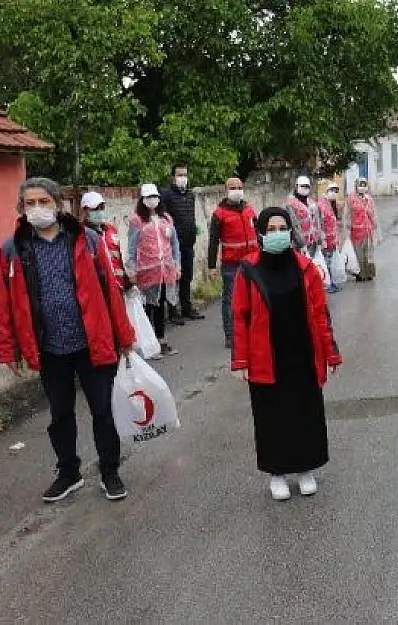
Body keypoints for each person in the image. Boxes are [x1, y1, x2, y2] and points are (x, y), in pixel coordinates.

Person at [0, 178, 135, 503]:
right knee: (60, 414)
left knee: (103, 410)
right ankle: (69, 473)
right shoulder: (12, 249)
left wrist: (124, 336)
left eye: (43, 201)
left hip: (92, 342)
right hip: (49, 348)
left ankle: (110, 471)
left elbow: (111, 291)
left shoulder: (86, 240)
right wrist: (9, 349)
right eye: (30, 203)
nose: (37, 209)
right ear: (21, 208)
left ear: (58, 204)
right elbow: (4, 304)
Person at [231, 207, 341, 500]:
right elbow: (239, 317)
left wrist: (330, 352)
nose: (278, 233)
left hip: (302, 355)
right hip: (266, 357)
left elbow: (320, 313)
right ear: (262, 233)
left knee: (305, 412)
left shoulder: (305, 267)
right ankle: (277, 474)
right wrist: (241, 360)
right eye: (272, 228)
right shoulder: (249, 270)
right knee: (272, 417)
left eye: (283, 228)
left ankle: (305, 468)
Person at [128, 183, 181, 358]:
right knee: (148, 307)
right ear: (142, 200)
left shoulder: (165, 218)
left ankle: (161, 340)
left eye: (155, 197)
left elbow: (174, 244)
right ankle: (149, 344)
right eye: (149, 197)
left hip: (164, 270)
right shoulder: (137, 220)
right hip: (146, 271)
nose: (153, 200)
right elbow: (132, 247)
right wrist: (132, 270)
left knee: (161, 306)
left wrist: (176, 264)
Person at [208, 177, 259, 349]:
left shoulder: (250, 210)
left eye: (239, 187)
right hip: (231, 264)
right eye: (233, 188)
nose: (237, 190)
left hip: (252, 262)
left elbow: (259, 235)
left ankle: (251, 331)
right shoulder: (219, 214)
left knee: (253, 298)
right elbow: (213, 241)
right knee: (230, 300)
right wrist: (211, 267)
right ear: (226, 191)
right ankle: (231, 336)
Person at [160, 164, 204, 324]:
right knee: (173, 279)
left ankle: (186, 307)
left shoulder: (190, 195)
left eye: (185, 174)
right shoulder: (167, 195)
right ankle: (173, 311)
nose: (183, 178)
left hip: (188, 243)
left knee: (187, 277)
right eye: (179, 175)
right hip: (173, 246)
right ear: (173, 177)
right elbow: (164, 219)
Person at [79, 191, 131, 289]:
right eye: (95, 209)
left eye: (101, 208)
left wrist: (126, 281)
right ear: (85, 210)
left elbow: (118, 258)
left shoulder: (110, 230)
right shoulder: (84, 234)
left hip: (118, 285)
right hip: (102, 288)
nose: (99, 211)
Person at [286, 175, 323, 257]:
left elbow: (317, 222)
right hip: (300, 246)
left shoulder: (311, 203)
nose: (305, 188)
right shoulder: (291, 204)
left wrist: (319, 240)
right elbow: (294, 226)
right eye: (302, 186)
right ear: (296, 187)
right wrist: (301, 245)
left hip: (313, 243)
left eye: (307, 186)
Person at [348, 178, 378, 281]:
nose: (362, 187)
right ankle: (360, 274)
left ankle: (369, 273)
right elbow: (347, 215)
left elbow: (374, 214)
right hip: (356, 231)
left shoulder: (369, 199)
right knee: (358, 253)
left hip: (368, 230)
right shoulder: (351, 198)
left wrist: (375, 228)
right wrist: (347, 228)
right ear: (356, 186)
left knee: (368, 253)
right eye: (360, 185)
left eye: (364, 185)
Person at [319, 181, 343, 293]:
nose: (334, 193)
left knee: (330, 262)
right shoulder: (321, 205)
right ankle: (328, 284)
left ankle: (331, 282)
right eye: (332, 191)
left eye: (336, 191)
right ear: (327, 191)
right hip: (325, 240)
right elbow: (320, 223)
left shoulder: (330, 205)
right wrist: (322, 239)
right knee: (326, 262)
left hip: (332, 240)